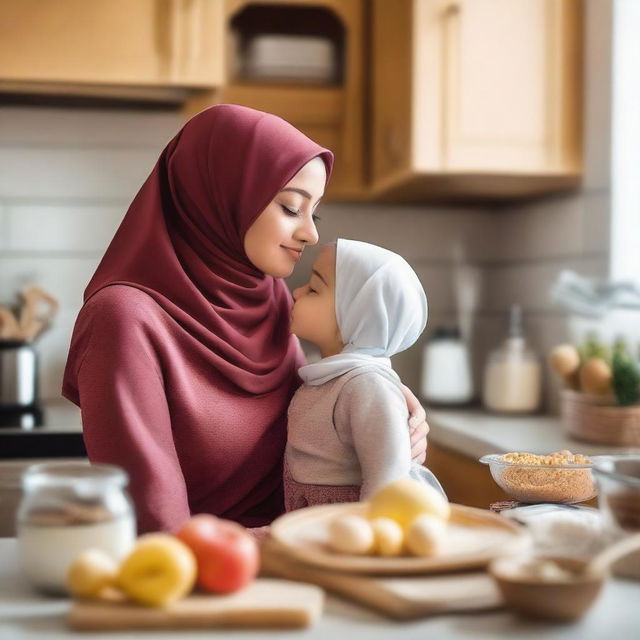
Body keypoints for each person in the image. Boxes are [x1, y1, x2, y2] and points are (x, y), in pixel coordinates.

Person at [61, 104, 430, 536]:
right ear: (220, 195)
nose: (310, 233)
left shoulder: (270, 298)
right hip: (210, 572)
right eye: (292, 208)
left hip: (308, 554)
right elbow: (155, 525)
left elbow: (315, 418)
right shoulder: (122, 319)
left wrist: (386, 409)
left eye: (315, 213)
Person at [284, 240, 444, 511]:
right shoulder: (332, 378)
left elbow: (387, 484)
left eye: (313, 289)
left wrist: (369, 539)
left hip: (351, 528)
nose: (297, 292)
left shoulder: (366, 386)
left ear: (356, 317)